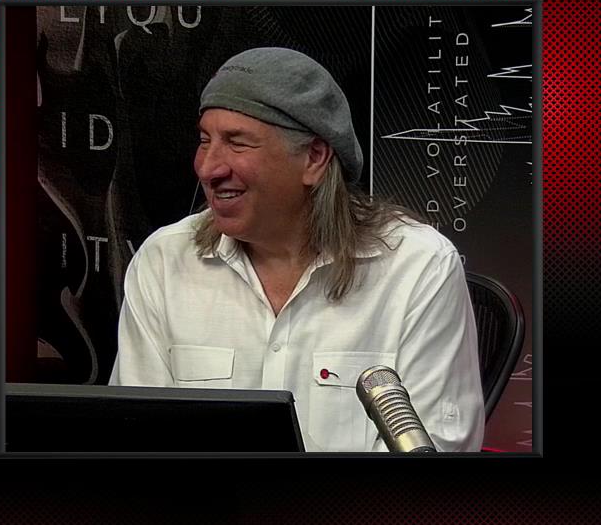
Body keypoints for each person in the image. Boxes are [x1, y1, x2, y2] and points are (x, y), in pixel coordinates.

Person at [109, 47, 484, 452]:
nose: (208, 167)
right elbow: (135, 443)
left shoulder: (419, 267)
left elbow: (437, 454)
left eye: (237, 143)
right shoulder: (165, 262)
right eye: (205, 141)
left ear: (314, 158)